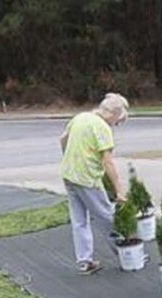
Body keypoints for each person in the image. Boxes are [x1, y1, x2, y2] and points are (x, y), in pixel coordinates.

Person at [59, 93, 130, 274]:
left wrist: (70, 157)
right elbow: (108, 162)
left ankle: (84, 261)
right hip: (87, 178)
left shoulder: (80, 117)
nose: (117, 124)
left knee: (79, 220)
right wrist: (119, 190)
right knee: (106, 216)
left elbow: (63, 139)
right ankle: (126, 254)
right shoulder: (102, 128)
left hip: (69, 174)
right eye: (118, 121)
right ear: (113, 114)